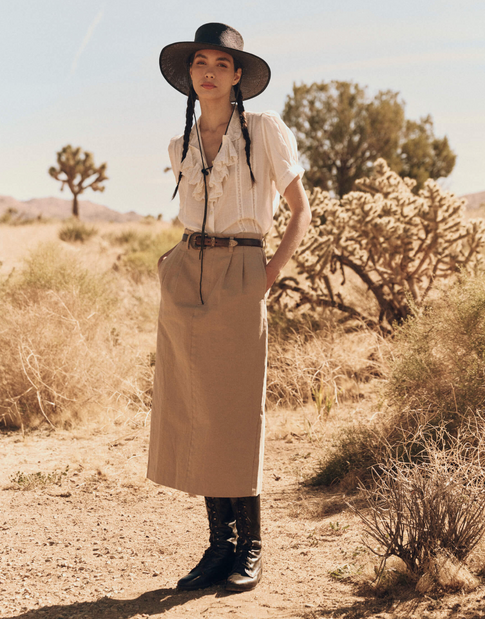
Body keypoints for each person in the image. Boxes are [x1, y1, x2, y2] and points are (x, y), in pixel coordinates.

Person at [147, 22, 311, 592]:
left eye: (221, 63)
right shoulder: (181, 144)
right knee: (196, 411)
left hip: (243, 270)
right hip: (186, 272)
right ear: (189, 76)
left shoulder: (265, 130)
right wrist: (171, 266)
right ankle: (218, 547)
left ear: (238, 75)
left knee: (236, 411)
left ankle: (252, 546)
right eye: (200, 63)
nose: (210, 72)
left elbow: (300, 210)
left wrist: (265, 277)